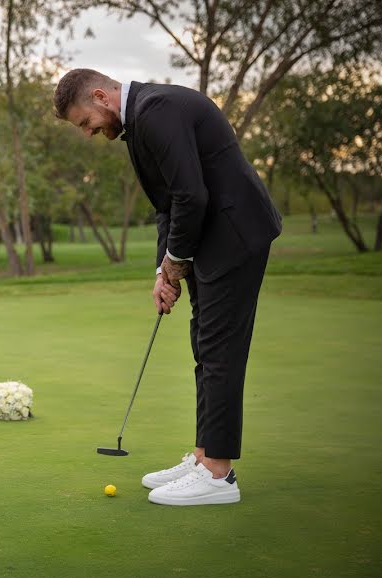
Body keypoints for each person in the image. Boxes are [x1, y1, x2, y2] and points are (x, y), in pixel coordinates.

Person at [54, 69, 282, 506]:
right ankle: (204, 456)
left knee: (219, 350)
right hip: (211, 239)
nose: (88, 133)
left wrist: (176, 261)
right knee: (205, 345)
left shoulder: (156, 110)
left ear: (101, 95)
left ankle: (218, 474)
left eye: (85, 122)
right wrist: (164, 271)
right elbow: (168, 204)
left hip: (234, 234)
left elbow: (191, 195)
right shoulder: (139, 122)